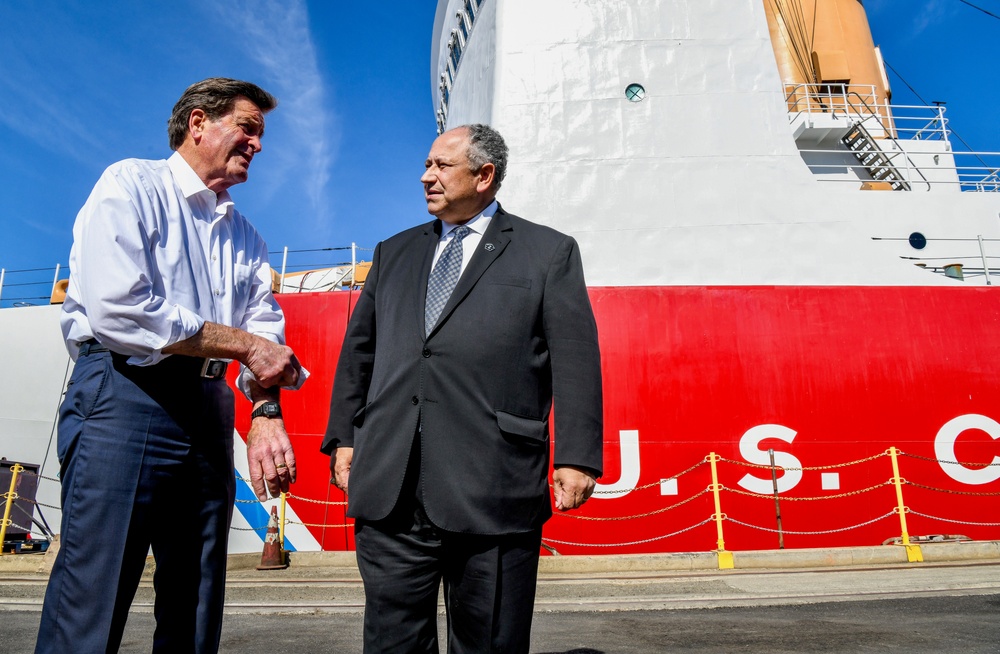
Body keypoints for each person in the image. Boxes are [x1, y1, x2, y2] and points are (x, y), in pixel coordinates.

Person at [35, 78, 306, 654]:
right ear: (199, 122)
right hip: (125, 391)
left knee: (198, 593)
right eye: (249, 128)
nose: (258, 144)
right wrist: (246, 348)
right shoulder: (131, 185)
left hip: (209, 408)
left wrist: (264, 411)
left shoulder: (247, 238)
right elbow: (119, 309)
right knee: (95, 589)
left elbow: (266, 333)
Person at [323, 124, 604, 653]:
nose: (426, 176)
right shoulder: (393, 253)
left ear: (484, 175)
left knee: (489, 641)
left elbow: (575, 358)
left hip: (493, 483)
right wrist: (344, 436)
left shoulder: (548, 252)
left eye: (440, 166)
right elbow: (359, 352)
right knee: (391, 642)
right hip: (390, 484)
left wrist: (578, 456)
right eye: (426, 165)